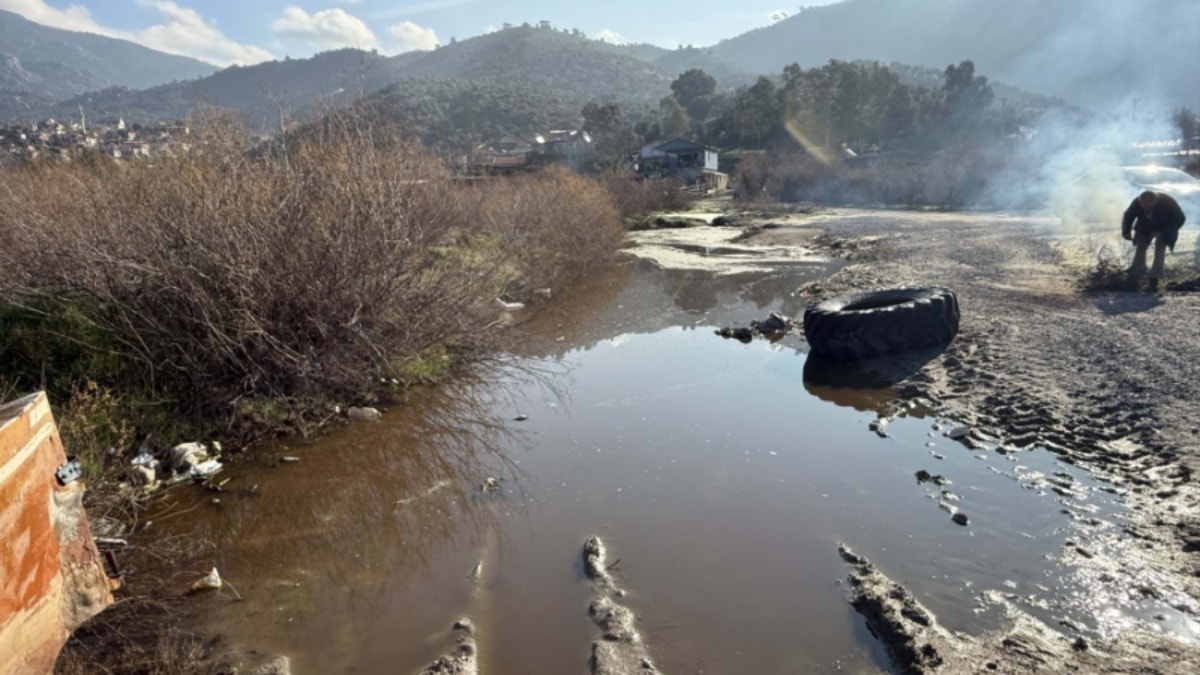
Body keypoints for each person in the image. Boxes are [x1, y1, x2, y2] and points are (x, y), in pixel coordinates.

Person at [1122, 190, 1187, 292]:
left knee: (1159, 249)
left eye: (1147, 206)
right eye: (1142, 205)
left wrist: (1161, 232)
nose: (1144, 208)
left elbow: (1180, 219)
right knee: (1140, 247)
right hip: (1145, 228)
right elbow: (1128, 215)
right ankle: (1137, 273)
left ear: (1154, 201)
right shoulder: (1138, 202)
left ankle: (1154, 278)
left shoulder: (1168, 203)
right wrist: (1126, 230)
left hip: (1165, 229)